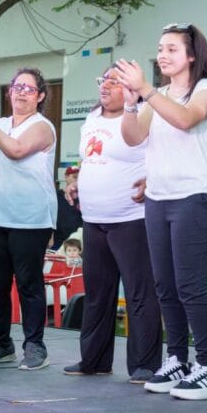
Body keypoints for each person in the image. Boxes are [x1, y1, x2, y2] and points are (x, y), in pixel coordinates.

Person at [117, 22, 207, 400]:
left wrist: (146, 91)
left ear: (192, 55)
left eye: (171, 49)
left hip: (196, 199)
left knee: (189, 286)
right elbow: (134, 138)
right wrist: (133, 102)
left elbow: (185, 120)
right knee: (165, 286)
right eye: (160, 49)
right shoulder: (159, 94)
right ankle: (177, 359)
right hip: (159, 199)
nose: (162, 55)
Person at [62, 67, 162, 385]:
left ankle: (144, 365)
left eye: (114, 82)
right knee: (97, 293)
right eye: (102, 80)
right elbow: (88, 158)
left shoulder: (144, 114)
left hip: (131, 218)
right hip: (94, 219)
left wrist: (153, 179)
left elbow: (162, 155)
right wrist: (75, 179)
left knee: (139, 293)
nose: (105, 86)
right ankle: (94, 360)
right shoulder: (92, 118)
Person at [0, 69, 57, 370]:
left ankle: (35, 345)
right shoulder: (1, 124)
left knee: (29, 283)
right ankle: (0, 342)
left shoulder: (42, 126)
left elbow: (16, 150)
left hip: (30, 219)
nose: (20, 93)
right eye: (16, 87)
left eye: (29, 89)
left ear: (40, 96)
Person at [52, 166, 83, 250]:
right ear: (66, 177)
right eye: (75, 177)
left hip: (79, 242)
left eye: (80, 177)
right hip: (59, 241)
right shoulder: (56, 196)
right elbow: (50, 216)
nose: (77, 180)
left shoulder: (84, 197)